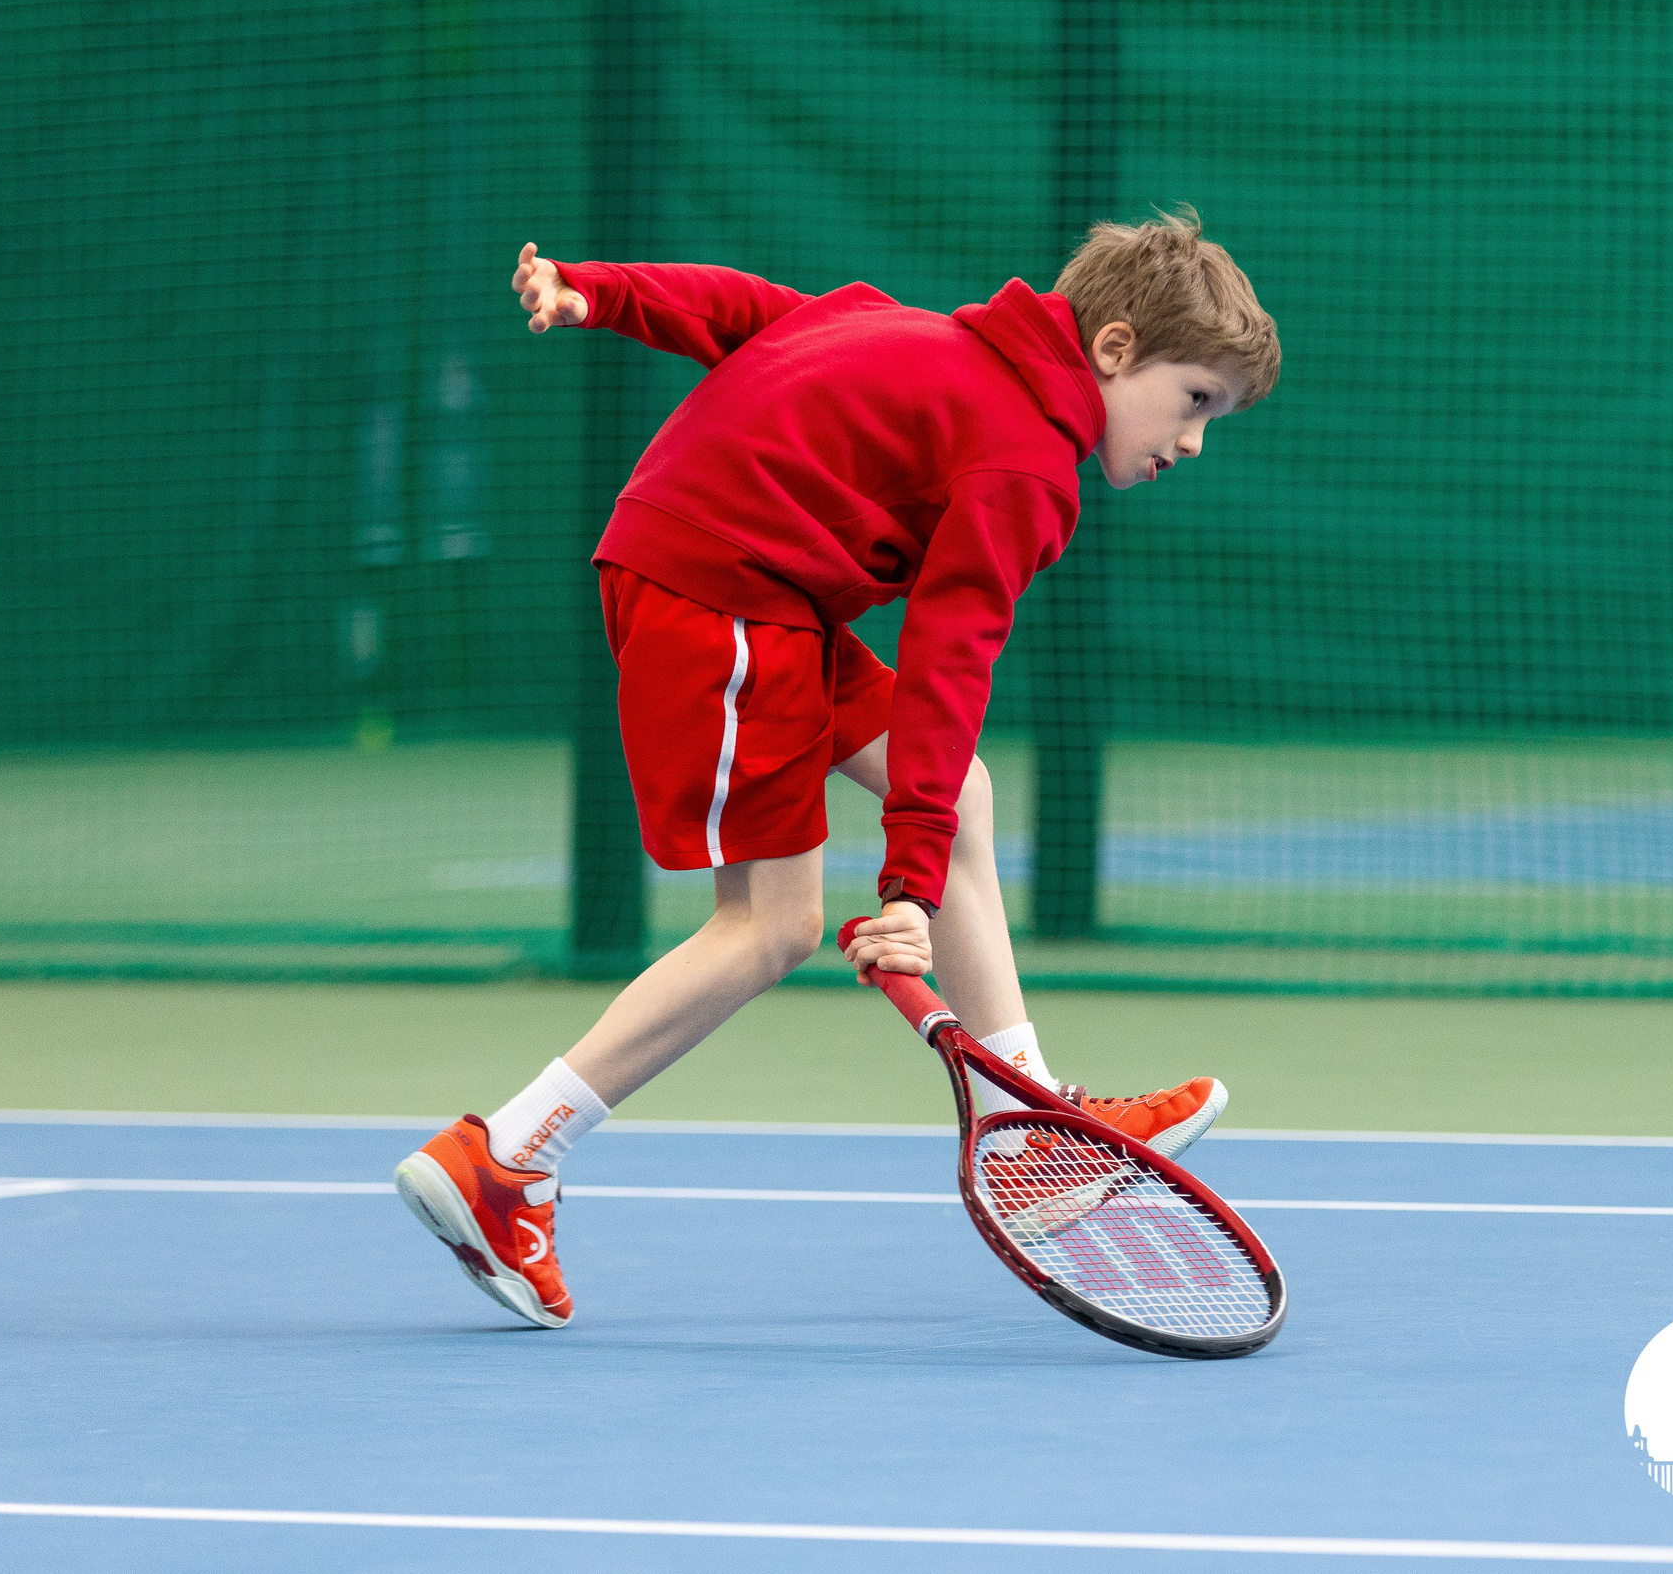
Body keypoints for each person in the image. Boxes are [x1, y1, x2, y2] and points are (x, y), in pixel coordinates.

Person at [392, 209, 1281, 1327]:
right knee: (769, 923)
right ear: (1111, 350)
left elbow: (748, 314)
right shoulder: (1022, 465)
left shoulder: (916, 334)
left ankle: (1039, 1141)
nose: (1194, 440)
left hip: (755, 584)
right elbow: (950, 670)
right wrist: (904, 891)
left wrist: (599, 290)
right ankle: (508, 1157)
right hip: (720, 589)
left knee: (963, 797)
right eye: (1194, 400)